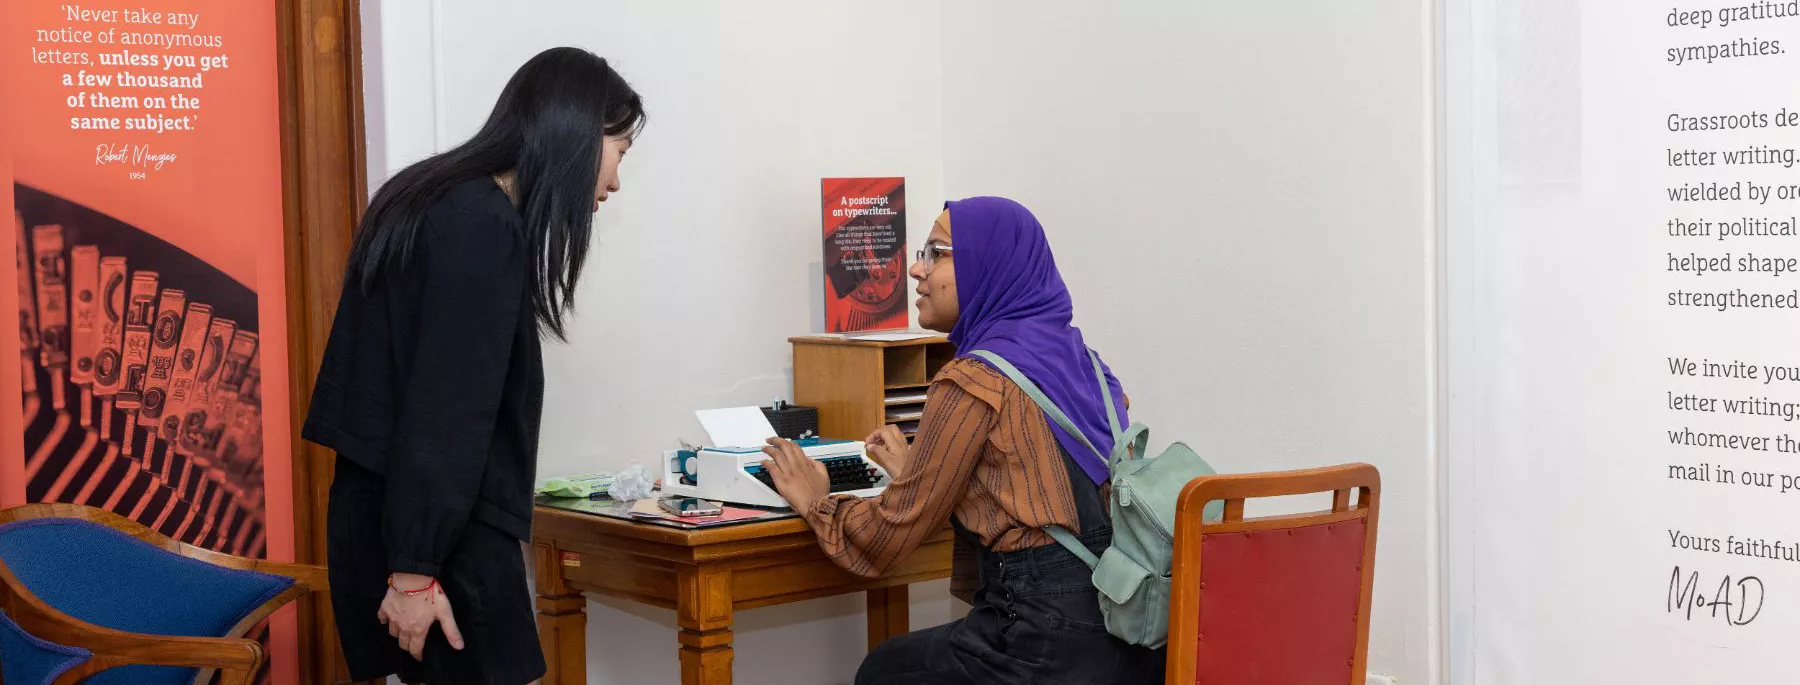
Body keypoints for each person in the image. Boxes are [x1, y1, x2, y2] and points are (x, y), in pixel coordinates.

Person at [302, 47, 644, 685]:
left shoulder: (431, 198)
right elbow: (447, 413)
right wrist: (413, 574)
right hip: (439, 551)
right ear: (577, 134)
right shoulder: (480, 226)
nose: (616, 181)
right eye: (619, 151)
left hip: (392, 526)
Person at [761, 197, 1164, 684]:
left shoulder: (972, 379)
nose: (915, 269)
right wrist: (920, 470)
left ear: (990, 265)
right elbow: (1031, 483)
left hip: (1045, 638)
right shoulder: (1087, 365)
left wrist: (817, 502)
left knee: (885, 671)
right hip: (1131, 629)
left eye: (937, 252)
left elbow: (890, 535)